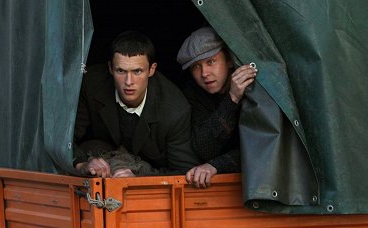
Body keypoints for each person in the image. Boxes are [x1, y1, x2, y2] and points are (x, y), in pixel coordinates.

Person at [73, 31, 199, 178]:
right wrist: (81, 164)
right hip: (102, 159)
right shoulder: (91, 85)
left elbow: (183, 171)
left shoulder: (174, 109)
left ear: (151, 70)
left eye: (137, 71)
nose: (129, 81)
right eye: (121, 71)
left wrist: (138, 177)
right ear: (110, 68)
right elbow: (63, 140)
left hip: (150, 173)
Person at [177, 26, 257, 187]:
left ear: (228, 60)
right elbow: (204, 148)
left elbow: (263, 148)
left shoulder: (255, 88)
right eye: (196, 66)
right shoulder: (194, 93)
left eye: (211, 61)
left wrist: (217, 165)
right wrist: (232, 98)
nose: (204, 73)